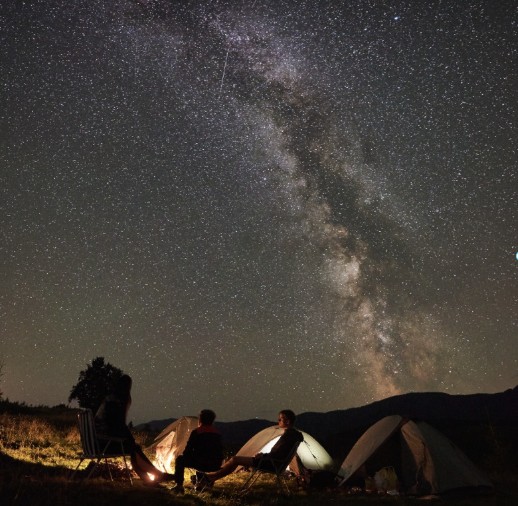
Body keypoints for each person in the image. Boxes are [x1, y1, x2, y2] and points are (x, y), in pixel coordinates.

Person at [95, 374, 174, 484]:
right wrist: (130, 439)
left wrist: (129, 439)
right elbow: (117, 426)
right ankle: (156, 475)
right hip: (104, 444)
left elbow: (116, 427)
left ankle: (151, 479)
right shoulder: (114, 403)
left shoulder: (110, 399)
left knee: (134, 448)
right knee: (133, 448)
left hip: (99, 442)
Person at [200, 409, 303, 486]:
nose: (278, 420)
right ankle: (211, 478)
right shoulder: (293, 435)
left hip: (270, 463)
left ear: (288, 421)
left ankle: (210, 477)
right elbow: (280, 453)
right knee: (234, 461)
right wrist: (264, 455)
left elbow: (278, 454)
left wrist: (263, 456)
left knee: (235, 459)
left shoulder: (288, 436)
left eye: (281, 419)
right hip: (273, 463)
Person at [171, 409, 223, 493]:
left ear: (200, 420)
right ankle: (202, 482)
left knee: (180, 459)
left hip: (201, 464)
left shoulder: (197, 432)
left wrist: (188, 456)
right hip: (215, 465)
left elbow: (188, 450)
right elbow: (220, 451)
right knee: (201, 458)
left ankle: (179, 485)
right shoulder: (218, 433)